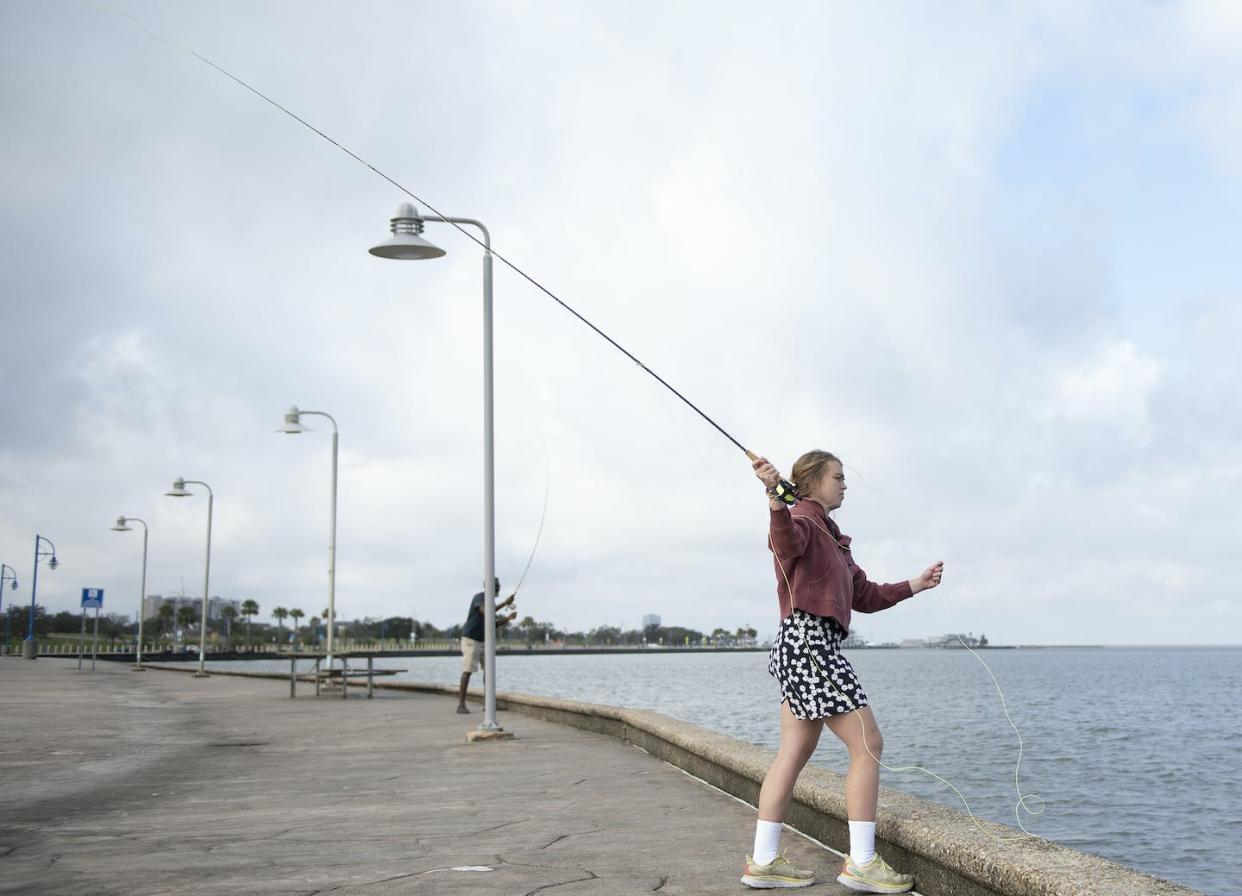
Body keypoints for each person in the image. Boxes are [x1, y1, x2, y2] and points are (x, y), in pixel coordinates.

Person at [743, 451, 943, 892]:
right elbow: (784, 541)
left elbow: (865, 595)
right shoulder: (802, 520)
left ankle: (763, 861)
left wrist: (916, 584)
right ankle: (863, 862)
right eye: (838, 477)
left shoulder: (835, 539)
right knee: (868, 743)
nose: (845, 485)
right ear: (813, 481)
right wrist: (775, 496)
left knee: (792, 754)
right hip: (809, 644)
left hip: (806, 647)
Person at [457, 578, 517, 714]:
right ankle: (461, 705)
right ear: (491, 587)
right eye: (497, 587)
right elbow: (487, 612)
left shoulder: (490, 602)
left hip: (484, 641)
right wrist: (505, 603)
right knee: (468, 670)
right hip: (471, 640)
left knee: (489, 671)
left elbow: (493, 623)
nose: (498, 589)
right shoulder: (480, 597)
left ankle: (489, 704)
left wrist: (508, 618)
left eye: (499, 587)